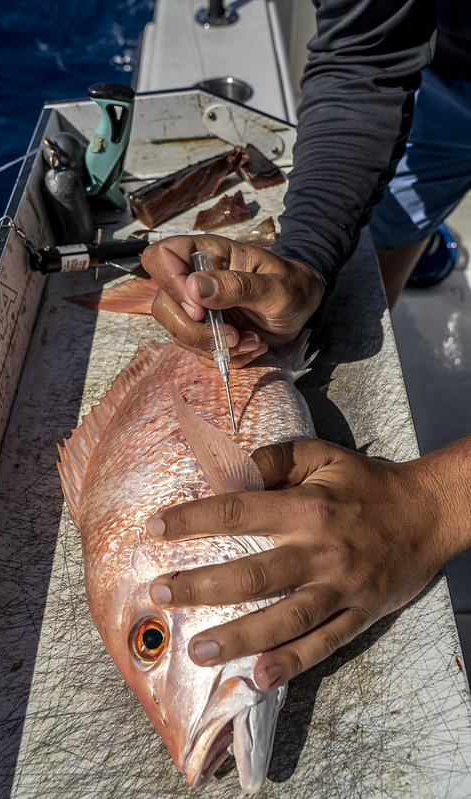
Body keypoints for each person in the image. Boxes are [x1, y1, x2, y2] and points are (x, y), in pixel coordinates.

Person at [139, 0, 471, 691]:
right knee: (369, 269)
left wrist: (435, 505)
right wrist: (307, 261)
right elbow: (367, 57)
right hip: (449, 67)